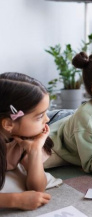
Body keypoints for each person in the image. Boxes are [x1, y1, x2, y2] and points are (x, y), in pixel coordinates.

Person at [0, 72, 52, 210]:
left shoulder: (23, 139)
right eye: (40, 116)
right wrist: (14, 200)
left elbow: (38, 189)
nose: (47, 120)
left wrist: (35, 151)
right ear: (8, 124)